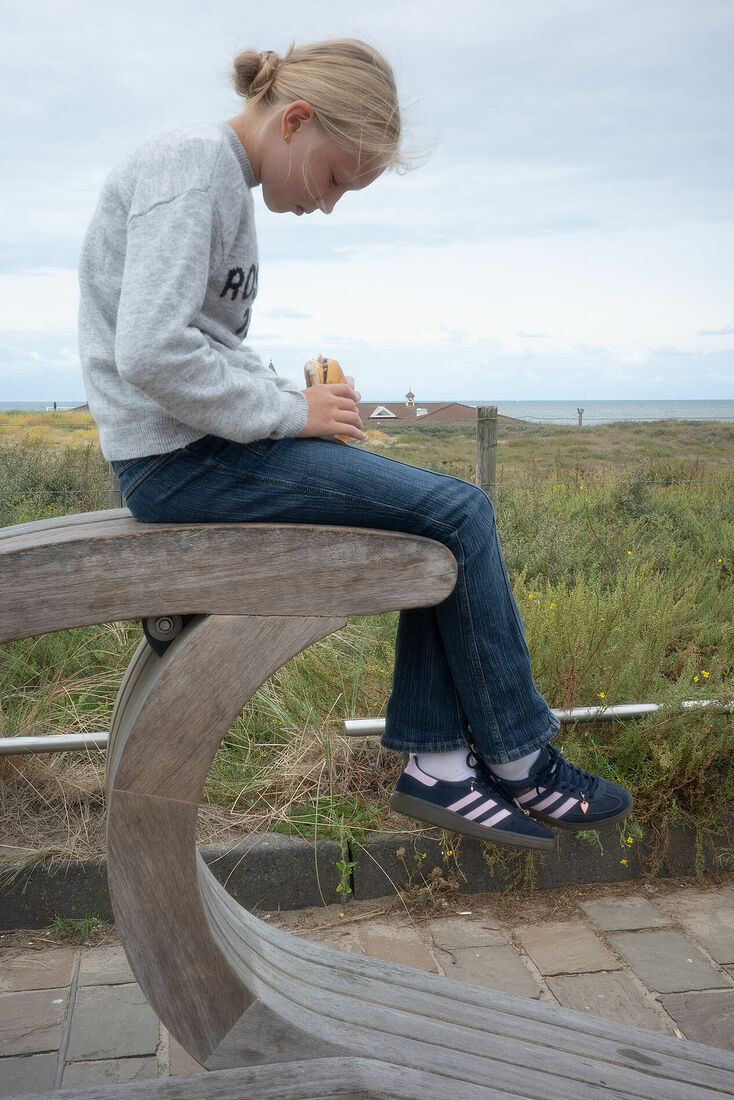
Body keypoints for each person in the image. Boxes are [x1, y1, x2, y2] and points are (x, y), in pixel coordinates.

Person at [78, 38, 632, 853]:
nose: (331, 205)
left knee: (435, 516)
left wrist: (291, 398)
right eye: (337, 178)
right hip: (179, 462)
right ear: (296, 121)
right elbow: (152, 352)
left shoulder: (218, 178)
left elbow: (203, 345)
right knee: (462, 509)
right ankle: (517, 757)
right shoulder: (192, 165)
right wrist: (289, 414)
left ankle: (443, 761)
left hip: (192, 452)